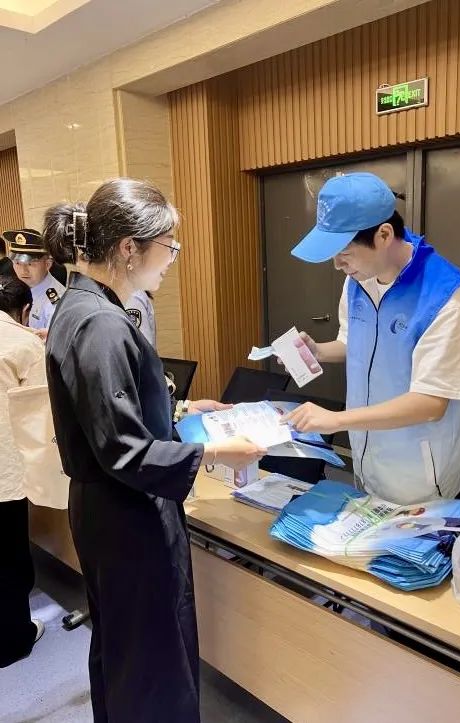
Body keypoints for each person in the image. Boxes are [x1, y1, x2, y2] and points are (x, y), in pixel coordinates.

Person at [43, 178, 265, 723]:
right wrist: (216, 453)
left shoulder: (82, 305)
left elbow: (107, 412)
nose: (171, 260)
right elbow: (123, 450)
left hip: (106, 510)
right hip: (128, 515)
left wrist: (180, 411)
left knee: (123, 648)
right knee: (152, 660)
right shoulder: (102, 324)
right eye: (169, 247)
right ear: (129, 248)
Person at [284, 172, 460, 505]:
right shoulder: (358, 279)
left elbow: (431, 403)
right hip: (366, 461)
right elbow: (353, 343)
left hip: (419, 477)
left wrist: (336, 420)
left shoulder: (447, 298)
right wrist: (319, 351)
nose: (337, 264)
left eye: (344, 252)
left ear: (384, 234)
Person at [0, 275, 46, 667]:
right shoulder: (25, 343)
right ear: (26, 311)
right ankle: (13, 641)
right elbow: (45, 410)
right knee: (9, 557)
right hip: (5, 472)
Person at [3, 228, 66, 339]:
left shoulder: (55, 299)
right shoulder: (16, 288)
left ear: (47, 264)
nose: (23, 271)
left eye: (30, 264)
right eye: (17, 263)